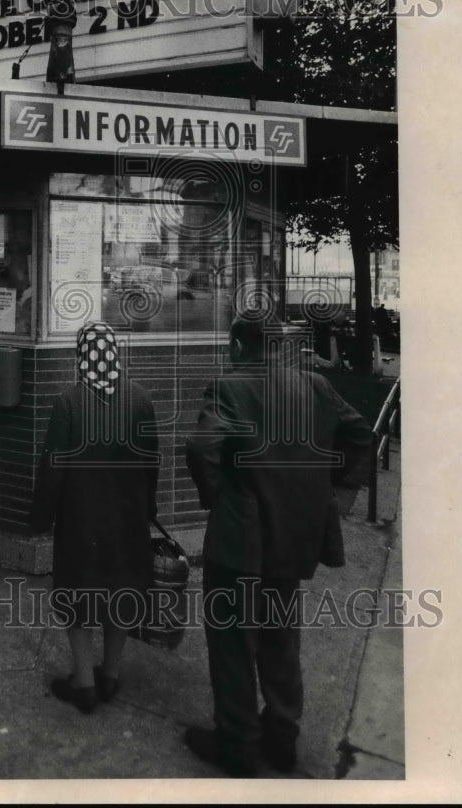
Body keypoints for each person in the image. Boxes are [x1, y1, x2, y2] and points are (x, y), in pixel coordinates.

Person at [184, 314, 373, 777]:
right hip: (295, 535)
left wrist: (220, 498)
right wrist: (326, 488)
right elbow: (360, 435)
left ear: (236, 344)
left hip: (239, 540)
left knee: (231, 643)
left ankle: (238, 745)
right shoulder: (314, 385)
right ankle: (282, 738)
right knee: (280, 637)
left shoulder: (228, 388)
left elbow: (200, 447)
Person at [29, 321, 159, 714]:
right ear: (115, 352)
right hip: (128, 518)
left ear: (80, 356)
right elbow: (151, 462)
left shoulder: (68, 402)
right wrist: (147, 507)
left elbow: (53, 467)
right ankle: (111, 674)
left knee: (78, 594)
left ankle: (83, 682)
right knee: (120, 590)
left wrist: (41, 516)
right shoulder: (139, 399)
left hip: (80, 520)